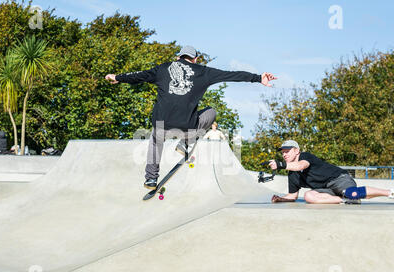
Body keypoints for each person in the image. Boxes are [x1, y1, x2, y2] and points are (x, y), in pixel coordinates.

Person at [105, 45, 277, 189]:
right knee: (211, 112)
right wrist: (257, 78)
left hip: (162, 124)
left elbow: (139, 75)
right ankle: (186, 143)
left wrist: (118, 77)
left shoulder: (162, 68)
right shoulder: (204, 71)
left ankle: (151, 178)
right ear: (195, 59)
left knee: (156, 139)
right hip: (187, 126)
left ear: (178, 57)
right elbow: (230, 75)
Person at [269, 140, 394, 205]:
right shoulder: (292, 174)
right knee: (309, 196)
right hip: (326, 190)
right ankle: (343, 200)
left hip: (339, 179)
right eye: (283, 153)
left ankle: (391, 193)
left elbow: (301, 165)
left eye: (288, 151)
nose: (285, 155)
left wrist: (280, 165)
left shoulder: (305, 156)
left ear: (297, 151)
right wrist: (280, 199)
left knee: (351, 193)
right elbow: (293, 196)